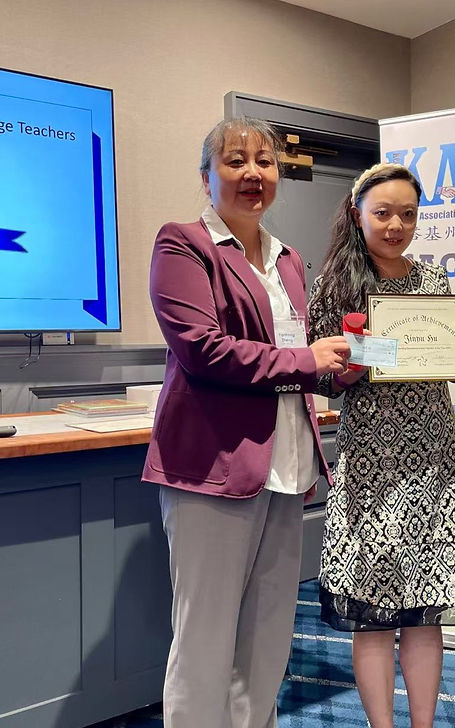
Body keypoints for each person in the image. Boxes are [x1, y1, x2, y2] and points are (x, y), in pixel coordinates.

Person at [142, 117, 352, 728]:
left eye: (265, 162)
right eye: (235, 161)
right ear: (207, 177)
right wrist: (307, 359)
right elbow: (202, 349)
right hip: (213, 466)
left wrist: (359, 363)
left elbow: (301, 359)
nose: (253, 174)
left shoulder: (289, 259)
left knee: (267, 638)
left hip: (288, 465)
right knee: (204, 640)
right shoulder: (183, 243)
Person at [307, 162, 455, 728]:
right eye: (382, 213)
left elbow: (442, 362)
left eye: (407, 215)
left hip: (435, 459)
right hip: (371, 462)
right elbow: (314, 374)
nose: (395, 225)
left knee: (424, 609)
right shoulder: (335, 285)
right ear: (356, 213)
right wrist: (348, 366)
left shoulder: (434, 282)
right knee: (373, 613)